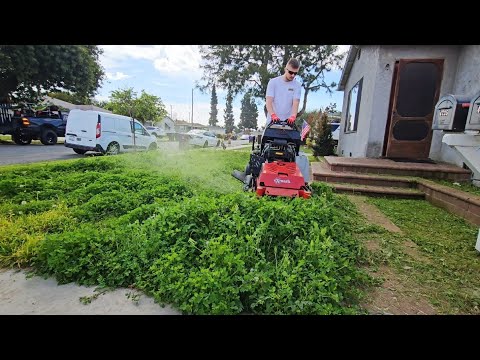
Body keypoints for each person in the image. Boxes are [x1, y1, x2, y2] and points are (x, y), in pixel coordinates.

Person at [265, 58, 302, 126]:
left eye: (295, 73)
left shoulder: (297, 85)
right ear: (285, 69)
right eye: (290, 72)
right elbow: (268, 101)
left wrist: (293, 116)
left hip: (288, 123)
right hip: (272, 122)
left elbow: (296, 103)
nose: (293, 75)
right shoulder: (273, 82)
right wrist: (273, 115)